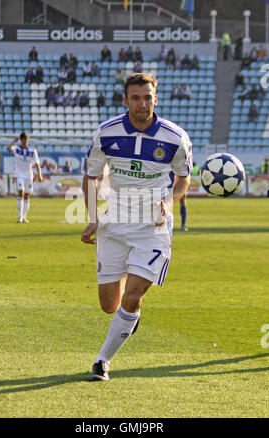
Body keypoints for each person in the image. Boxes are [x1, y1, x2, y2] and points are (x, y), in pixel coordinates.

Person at [81, 72, 192, 381]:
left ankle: (102, 361)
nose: (143, 104)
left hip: (153, 227)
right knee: (110, 305)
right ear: (125, 100)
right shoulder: (106, 133)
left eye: (148, 97)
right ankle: (128, 317)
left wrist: (169, 201)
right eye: (136, 98)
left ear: (156, 98)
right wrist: (92, 217)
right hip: (115, 223)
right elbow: (90, 176)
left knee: (132, 297)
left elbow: (183, 177)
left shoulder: (175, 137)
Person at [7, 132, 43, 223]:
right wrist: (14, 141)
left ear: (28, 140)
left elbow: (37, 163)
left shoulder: (32, 151)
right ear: (21, 140)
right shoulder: (17, 149)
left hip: (28, 175)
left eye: (26, 139)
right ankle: (19, 217)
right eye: (23, 139)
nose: (24, 141)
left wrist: (39, 175)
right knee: (21, 193)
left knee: (27, 195)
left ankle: (24, 217)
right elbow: (8, 148)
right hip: (19, 174)